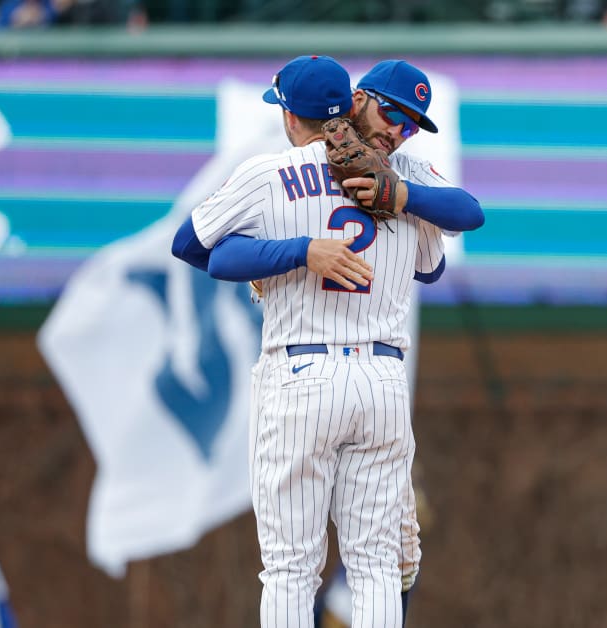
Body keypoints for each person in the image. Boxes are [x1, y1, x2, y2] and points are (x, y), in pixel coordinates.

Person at [171, 56, 482, 627]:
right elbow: (437, 261)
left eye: (411, 124)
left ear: (292, 117)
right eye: (395, 115)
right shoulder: (409, 175)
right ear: (356, 100)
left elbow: (195, 247)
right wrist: (322, 239)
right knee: (376, 565)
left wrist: (393, 197)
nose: (401, 131)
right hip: (379, 380)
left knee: (292, 567)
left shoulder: (281, 172)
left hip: (303, 375)